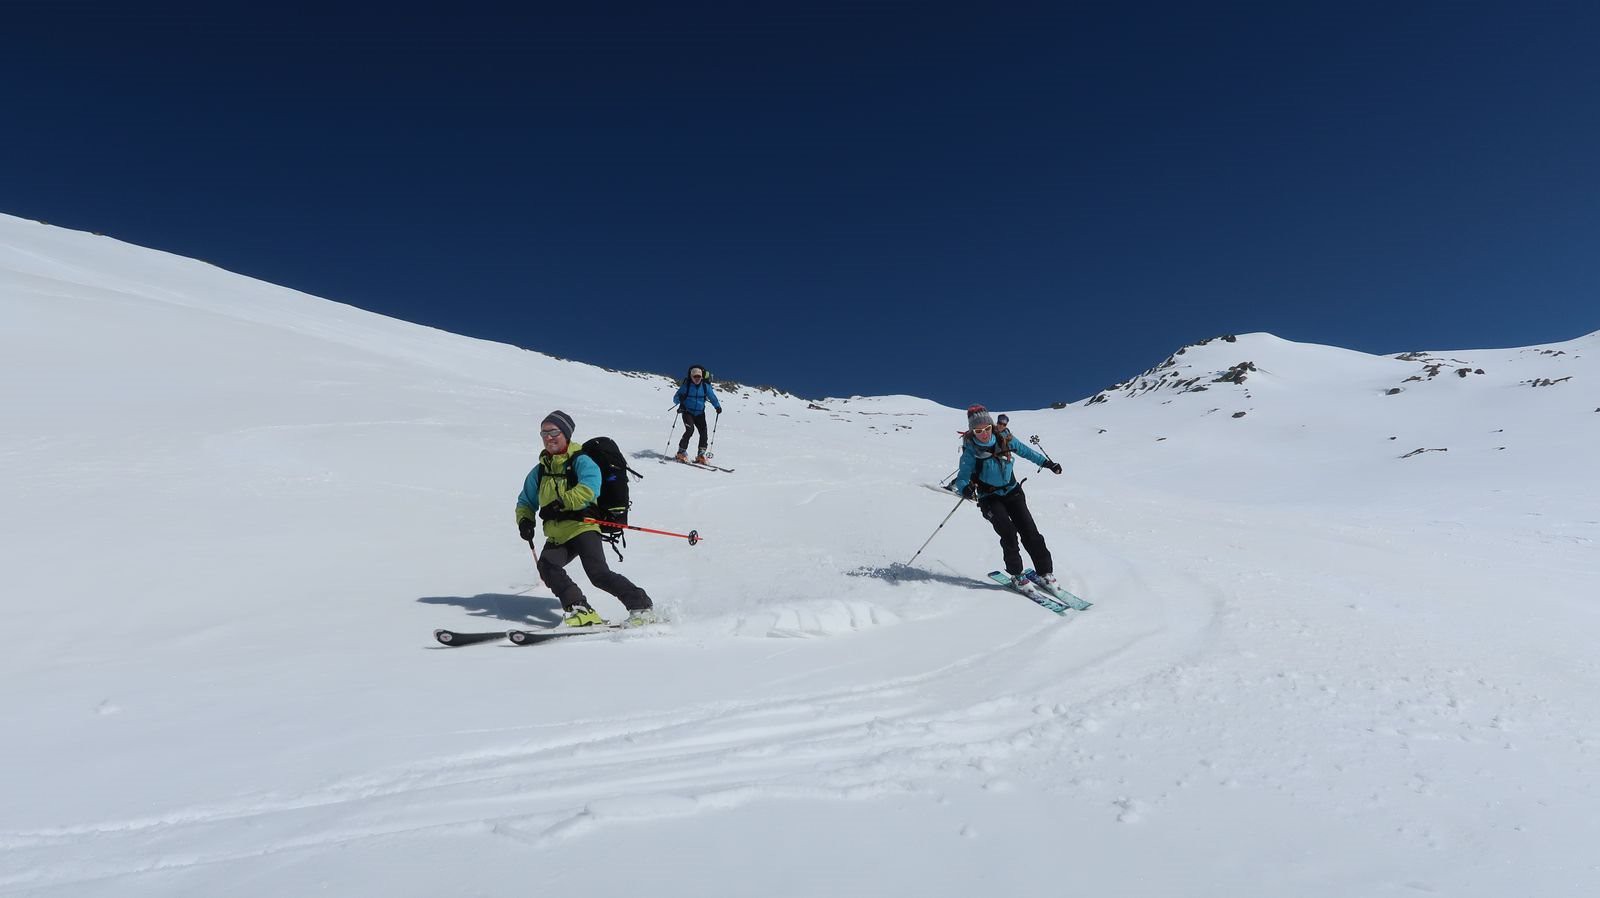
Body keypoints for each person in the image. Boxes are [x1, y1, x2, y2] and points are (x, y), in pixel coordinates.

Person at [516, 410, 655, 627]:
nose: (548, 437)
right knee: (547, 566)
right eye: (543, 433)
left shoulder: (581, 461)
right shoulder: (540, 471)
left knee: (598, 573)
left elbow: (590, 487)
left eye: (553, 432)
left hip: (583, 527)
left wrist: (562, 502)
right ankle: (579, 609)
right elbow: (526, 501)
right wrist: (525, 520)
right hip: (558, 533)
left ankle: (641, 606)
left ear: (566, 433)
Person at [947, 404, 1065, 588]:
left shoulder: (1005, 439)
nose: (984, 433)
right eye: (978, 431)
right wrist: (965, 489)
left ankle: (1045, 573)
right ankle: (1017, 575)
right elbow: (962, 478)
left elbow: (1027, 452)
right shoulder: (971, 451)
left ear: (991, 426)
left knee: (1030, 532)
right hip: (989, 498)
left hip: (1013, 492)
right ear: (972, 431)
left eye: (986, 428)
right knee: (1008, 533)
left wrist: (1048, 464)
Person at [671, 365, 723, 464]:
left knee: (703, 432)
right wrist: (679, 399)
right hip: (687, 412)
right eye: (695, 376)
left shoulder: (705, 386)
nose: (697, 378)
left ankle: (701, 455)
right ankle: (681, 452)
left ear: (702, 377)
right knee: (690, 430)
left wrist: (717, 406)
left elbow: (712, 397)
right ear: (691, 376)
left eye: (699, 376)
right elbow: (675, 398)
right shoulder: (686, 386)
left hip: (700, 413)